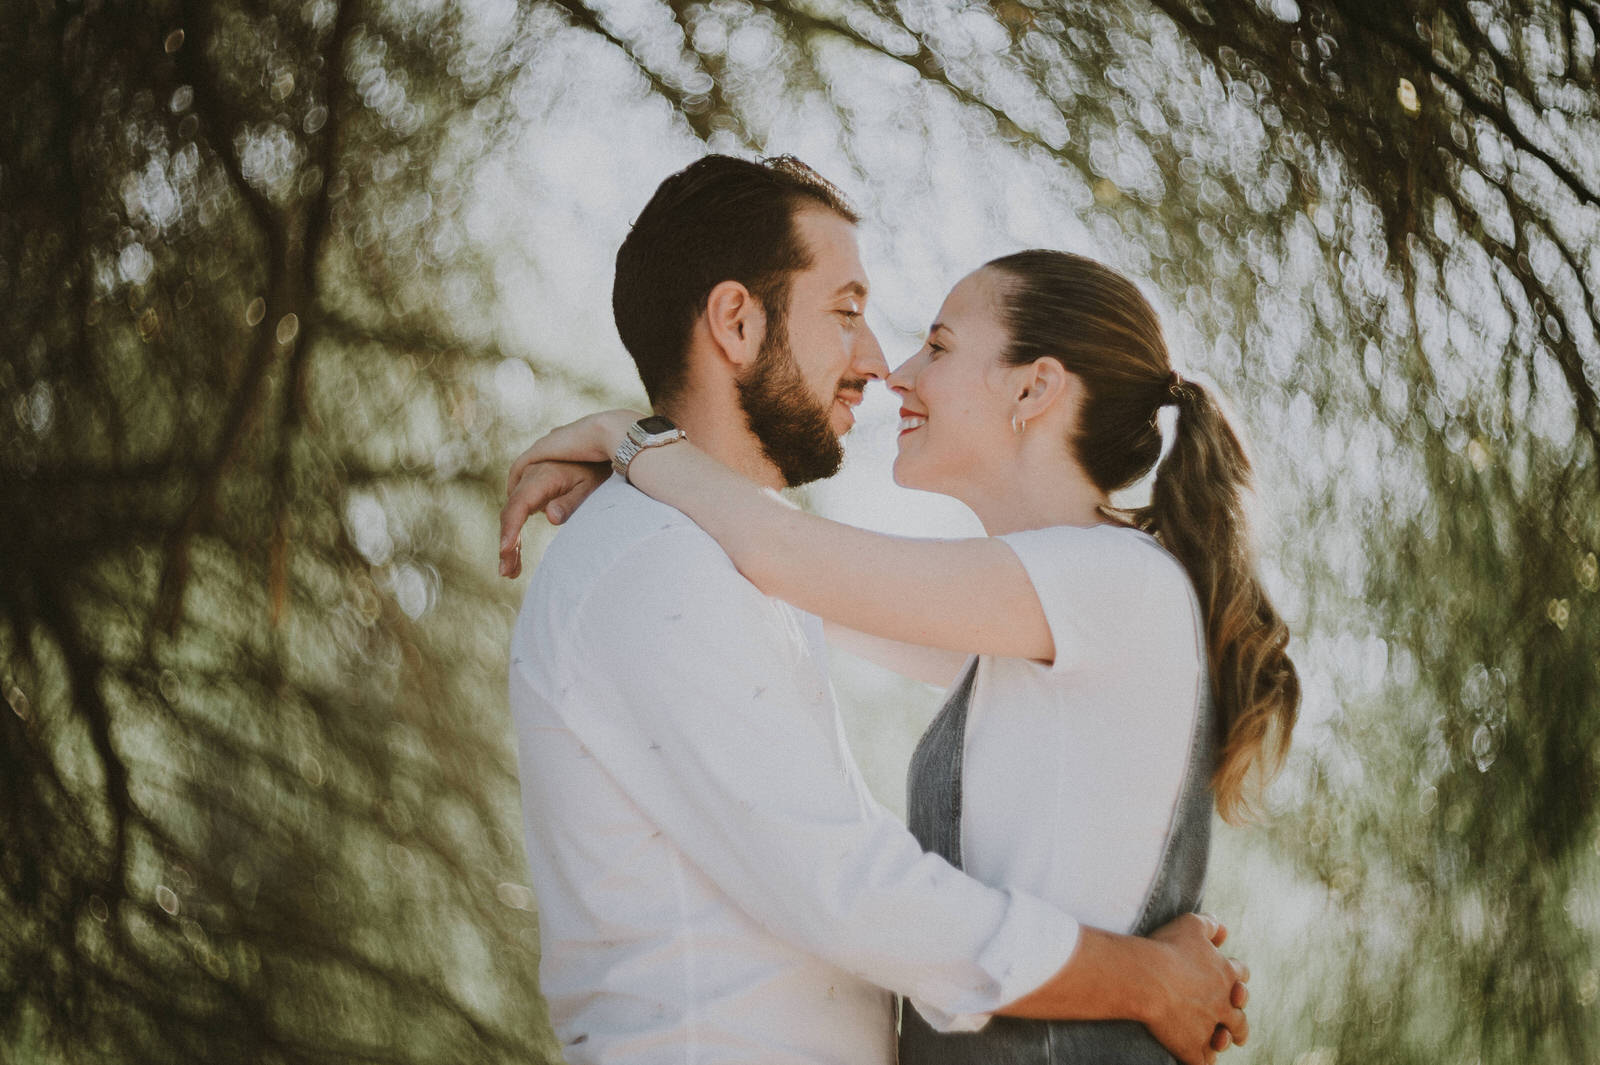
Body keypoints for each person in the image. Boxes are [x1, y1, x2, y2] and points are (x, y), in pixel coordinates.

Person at [499, 154, 1252, 1065]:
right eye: (848, 313)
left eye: (934, 344)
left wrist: (632, 442)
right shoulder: (666, 560)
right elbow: (846, 886)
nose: (882, 365)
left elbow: (796, 563)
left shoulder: (1104, 585)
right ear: (736, 321)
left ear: (1034, 388)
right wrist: (1142, 975)